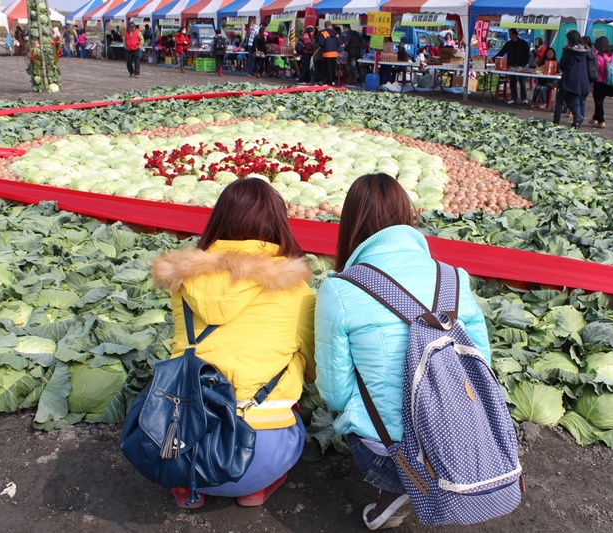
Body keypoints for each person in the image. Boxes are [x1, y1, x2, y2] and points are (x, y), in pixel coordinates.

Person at [315, 173, 491, 531]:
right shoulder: (454, 277)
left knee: (354, 416)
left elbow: (334, 393)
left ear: (349, 223)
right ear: (407, 216)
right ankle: (441, 475)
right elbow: (481, 363)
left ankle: (402, 482)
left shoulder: (339, 289)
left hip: (388, 452)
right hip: (462, 439)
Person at [151, 178, 315, 510]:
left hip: (180, 447)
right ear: (278, 225)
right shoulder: (296, 290)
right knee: (293, 414)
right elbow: (311, 370)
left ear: (219, 222)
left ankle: (185, 489)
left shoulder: (183, 284)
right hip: (257, 454)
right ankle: (255, 489)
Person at [553, 30, 590, 128]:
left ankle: (556, 120)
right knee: (576, 100)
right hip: (582, 80)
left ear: (570, 39)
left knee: (560, 99)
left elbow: (563, 64)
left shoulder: (568, 51)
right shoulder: (586, 51)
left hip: (569, 78)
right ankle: (577, 121)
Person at [588, 37, 613, 129]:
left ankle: (601, 120)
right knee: (600, 101)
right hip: (611, 81)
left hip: (600, 81)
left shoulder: (598, 56)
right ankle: (595, 118)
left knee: (598, 102)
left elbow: (596, 69)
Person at [494, 28, 530, 105]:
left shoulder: (523, 43)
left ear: (514, 34)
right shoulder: (508, 44)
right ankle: (514, 98)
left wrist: (524, 64)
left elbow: (527, 54)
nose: (509, 36)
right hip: (511, 65)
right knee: (512, 82)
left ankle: (524, 98)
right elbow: (501, 52)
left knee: (522, 82)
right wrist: (493, 59)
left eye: (510, 34)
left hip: (521, 66)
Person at [318, 21, 341, 87]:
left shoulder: (323, 33)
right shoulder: (336, 33)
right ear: (331, 26)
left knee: (328, 68)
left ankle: (329, 82)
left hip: (327, 52)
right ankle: (333, 80)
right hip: (334, 53)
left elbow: (321, 43)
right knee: (333, 67)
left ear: (325, 26)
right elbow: (339, 43)